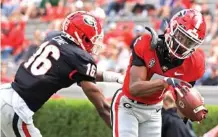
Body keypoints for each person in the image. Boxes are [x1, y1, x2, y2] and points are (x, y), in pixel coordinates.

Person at [0, 11, 123, 137]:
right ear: (81, 36)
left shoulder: (53, 36)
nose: (94, 43)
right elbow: (102, 107)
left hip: (5, 93)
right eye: (92, 38)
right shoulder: (78, 58)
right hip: (16, 108)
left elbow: (83, 72)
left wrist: (116, 78)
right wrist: (123, 132)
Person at [110, 9, 206, 137]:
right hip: (128, 106)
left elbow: (179, 99)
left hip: (154, 110)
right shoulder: (147, 44)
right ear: (172, 28)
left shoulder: (195, 63)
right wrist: (166, 82)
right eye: (180, 36)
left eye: (189, 42)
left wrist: (191, 108)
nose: (182, 44)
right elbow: (134, 88)